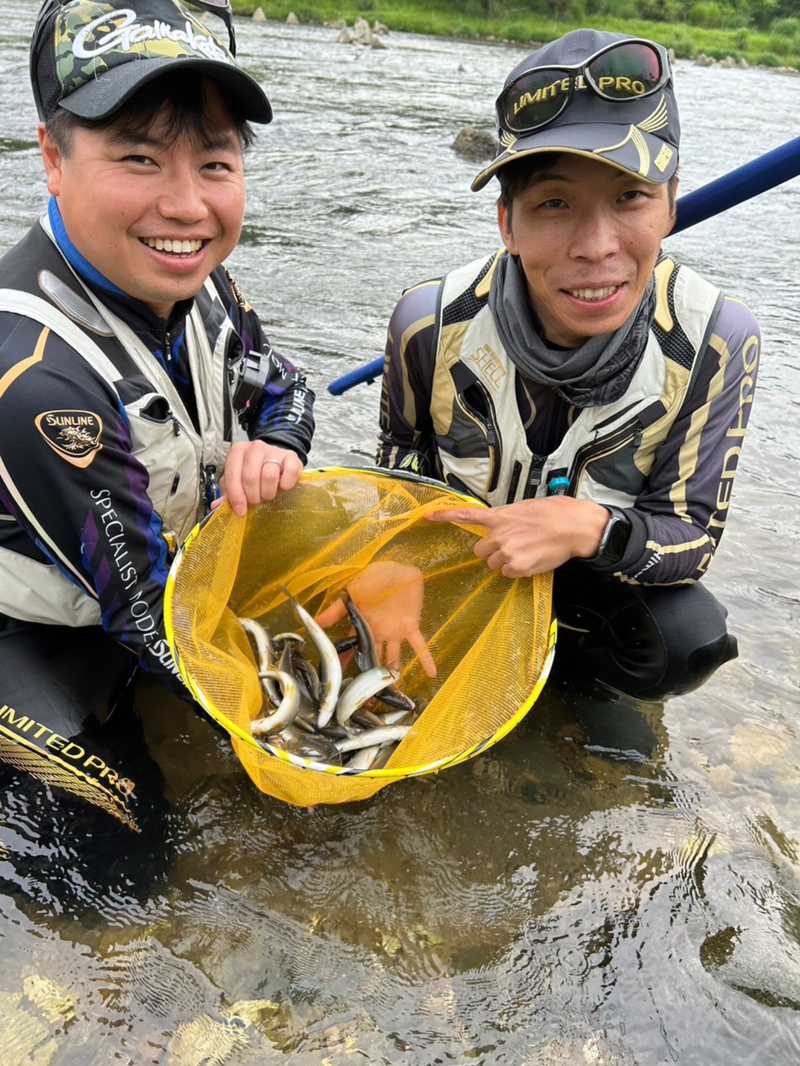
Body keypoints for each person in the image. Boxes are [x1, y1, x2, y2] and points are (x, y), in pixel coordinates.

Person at [0, 0, 314, 862]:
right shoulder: (36, 382)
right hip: (41, 635)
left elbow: (287, 387)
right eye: (139, 158)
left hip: (146, 579)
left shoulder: (196, 279)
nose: (186, 206)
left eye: (215, 163)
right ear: (53, 157)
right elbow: (149, 613)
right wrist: (299, 722)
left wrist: (275, 446)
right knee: (124, 871)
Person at [374, 29, 760, 706]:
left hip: (587, 583)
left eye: (630, 197)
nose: (596, 246)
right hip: (457, 569)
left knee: (688, 635)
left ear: (671, 203)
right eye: (554, 204)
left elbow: (692, 537)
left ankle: (571, 691)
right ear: (507, 224)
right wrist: (391, 561)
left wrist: (591, 528)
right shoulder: (425, 323)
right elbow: (396, 465)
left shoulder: (719, 342)